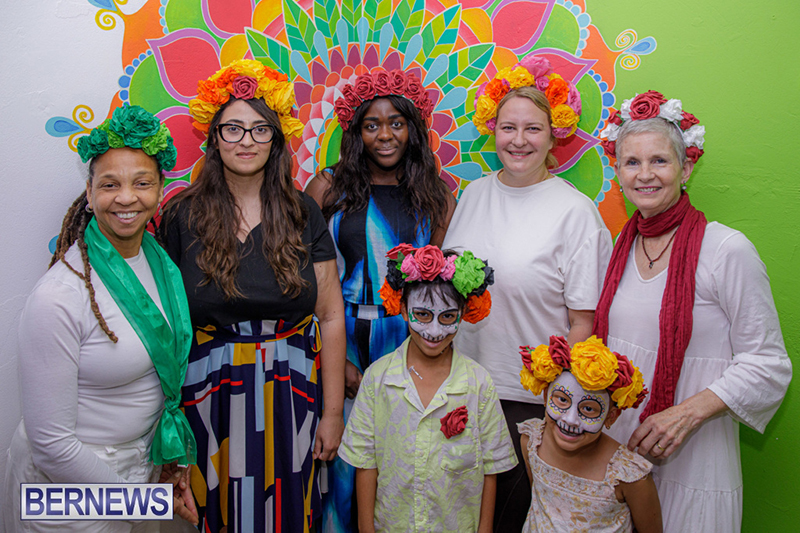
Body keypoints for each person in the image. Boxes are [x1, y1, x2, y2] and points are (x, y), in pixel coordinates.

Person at [158, 60, 346, 532]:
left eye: (260, 129)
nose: (246, 140)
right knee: (215, 511)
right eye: (234, 129)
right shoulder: (181, 214)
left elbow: (331, 315)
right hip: (207, 392)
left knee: (285, 509)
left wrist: (332, 414)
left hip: (291, 388)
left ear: (277, 139)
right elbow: (164, 323)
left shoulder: (303, 211)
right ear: (214, 137)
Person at [595, 90, 792, 532]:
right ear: (618, 172)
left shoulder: (726, 250)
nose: (645, 175)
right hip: (623, 448)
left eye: (659, 161)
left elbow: (769, 364)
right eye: (632, 162)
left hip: (696, 455)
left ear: (686, 168)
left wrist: (684, 414)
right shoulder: (620, 248)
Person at [3, 105, 198, 531]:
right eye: (110, 185)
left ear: (160, 190)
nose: (126, 198)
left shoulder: (157, 261)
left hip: (138, 468)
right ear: (89, 195)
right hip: (65, 487)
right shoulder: (59, 297)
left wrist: (164, 465)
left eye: (141, 183)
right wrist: (147, 506)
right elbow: (52, 446)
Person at [442, 53, 613, 529]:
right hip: (462, 386)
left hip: (529, 401)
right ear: (492, 131)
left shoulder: (574, 212)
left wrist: (561, 408)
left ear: (553, 134)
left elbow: (584, 322)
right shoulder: (473, 194)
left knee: (511, 518)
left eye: (532, 129)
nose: (519, 141)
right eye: (508, 128)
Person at [304, 69, 456, 531]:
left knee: (404, 464)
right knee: (343, 471)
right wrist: (339, 362)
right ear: (356, 132)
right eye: (372, 124)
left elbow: (439, 287)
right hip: (340, 336)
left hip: (410, 340)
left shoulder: (436, 194)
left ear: (413, 129)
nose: (385, 134)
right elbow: (306, 282)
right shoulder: (327, 188)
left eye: (396, 123)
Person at [338, 244, 517, 533]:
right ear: (404, 309)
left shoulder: (479, 384)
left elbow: (491, 470)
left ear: (464, 312)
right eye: (422, 314)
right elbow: (365, 462)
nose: (434, 332)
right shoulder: (377, 378)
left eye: (447, 317)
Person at [518, 335, 661, 532]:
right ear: (545, 396)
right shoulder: (532, 441)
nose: (570, 419)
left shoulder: (627, 475)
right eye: (561, 400)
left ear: (611, 416)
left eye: (588, 409)